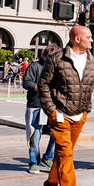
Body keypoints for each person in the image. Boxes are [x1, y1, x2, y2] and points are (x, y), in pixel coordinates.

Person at [38, 26, 94, 186]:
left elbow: (88, 86)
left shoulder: (91, 59)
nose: (92, 40)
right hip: (60, 116)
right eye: (89, 37)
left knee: (63, 156)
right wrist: (52, 111)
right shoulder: (57, 58)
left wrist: (86, 110)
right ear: (77, 39)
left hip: (79, 116)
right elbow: (43, 85)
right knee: (66, 157)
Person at [23, 44, 57, 174]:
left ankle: (48, 157)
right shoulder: (34, 66)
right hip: (36, 105)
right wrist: (41, 88)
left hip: (52, 106)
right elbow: (27, 82)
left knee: (56, 133)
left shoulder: (56, 68)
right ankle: (33, 161)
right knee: (35, 135)